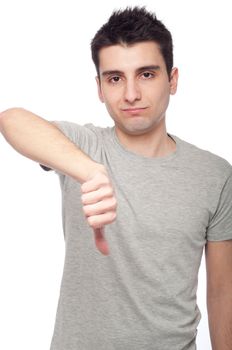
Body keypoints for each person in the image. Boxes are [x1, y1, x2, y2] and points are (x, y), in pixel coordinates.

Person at [0, 6, 231, 350]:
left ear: (173, 79)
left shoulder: (215, 175)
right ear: (100, 87)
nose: (131, 95)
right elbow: (12, 120)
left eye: (147, 75)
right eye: (115, 78)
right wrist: (90, 171)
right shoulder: (82, 146)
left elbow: (222, 291)